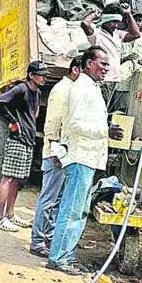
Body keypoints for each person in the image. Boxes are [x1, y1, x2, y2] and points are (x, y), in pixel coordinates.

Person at [47, 47, 124, 275]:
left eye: (108, 64)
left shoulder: (91, 87)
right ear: (89, 63)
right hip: (80, 156)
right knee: (72, 210)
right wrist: (105, 130)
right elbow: (74, 125)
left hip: (88, 158)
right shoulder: (81, 88)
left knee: (79, 211)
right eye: (103, 63)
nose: (106, 68)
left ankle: (66, 255)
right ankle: (59, 257)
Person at [30, 56, 82, 257]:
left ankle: (47, 237)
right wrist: (54, 149)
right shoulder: (63, 90)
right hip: (56, 153)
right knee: (49, 198)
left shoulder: (71, 90)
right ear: (76, 70)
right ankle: (38, 240)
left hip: (63, 153)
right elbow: (53, 122)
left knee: (57, 198)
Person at [0, 61, 49, 232]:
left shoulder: (36, 92)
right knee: (8, 178)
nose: (44, 77)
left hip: (28, 140)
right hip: (17, 140)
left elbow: (34, 113)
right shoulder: (21, 89)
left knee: (17, 179)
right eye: (41, 74)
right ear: (31, 75)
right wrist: (13, 122)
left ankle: (10, 215)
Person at [81, 4, 140, 111]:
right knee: (100, 110)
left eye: (117, 22)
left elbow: (136, 34)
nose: (116, 25)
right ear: (105, 20)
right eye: (113, 21)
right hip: (103, 80)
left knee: (109, 111)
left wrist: (128, 13)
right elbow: (85, 24)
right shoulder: (97, 34)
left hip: (115, 79)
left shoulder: (118, 35)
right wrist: (94, 15)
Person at [114, 11, 142, 112]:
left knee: (136, 109)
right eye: (136, 20)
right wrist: (125, 58)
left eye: (139, 21)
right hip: (122, 80)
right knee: (121, 110)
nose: (138, 23)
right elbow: (113, 60)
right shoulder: (120, 36)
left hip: (138, 80)